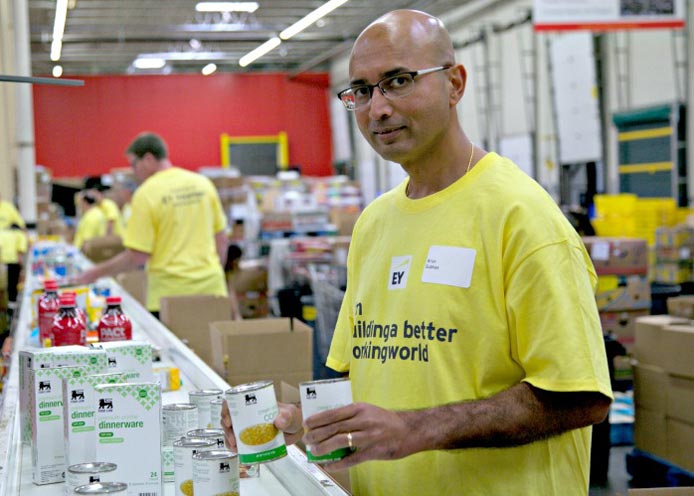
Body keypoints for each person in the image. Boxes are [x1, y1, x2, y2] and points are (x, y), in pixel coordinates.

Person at [222, 9, 613, 495]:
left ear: (455, 84)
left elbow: (580, 397)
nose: (377, 109)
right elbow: (370, 382)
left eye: (398, 81)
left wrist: (414, 430)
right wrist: (300, 422)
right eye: (362, 91)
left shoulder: (521, 218)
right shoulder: (374, 224)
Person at [74, 132, 234, 317]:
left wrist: (94, 273)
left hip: (170, 295)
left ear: (148, 159)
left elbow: (137, 256)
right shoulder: (202, 184)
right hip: (212, 289)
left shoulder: (146, 193)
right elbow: (221, 239)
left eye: (134, 164)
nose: (133, 171)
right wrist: (212, 273)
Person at [0, 223, 28, 304]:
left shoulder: (3, 233)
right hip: (14, 262)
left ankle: (3, 306)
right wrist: (22, 268)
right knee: (13, 284)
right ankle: (11, 304)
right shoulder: (20, 235)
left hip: (2, 262)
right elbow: (19, 252)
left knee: (3, 287)